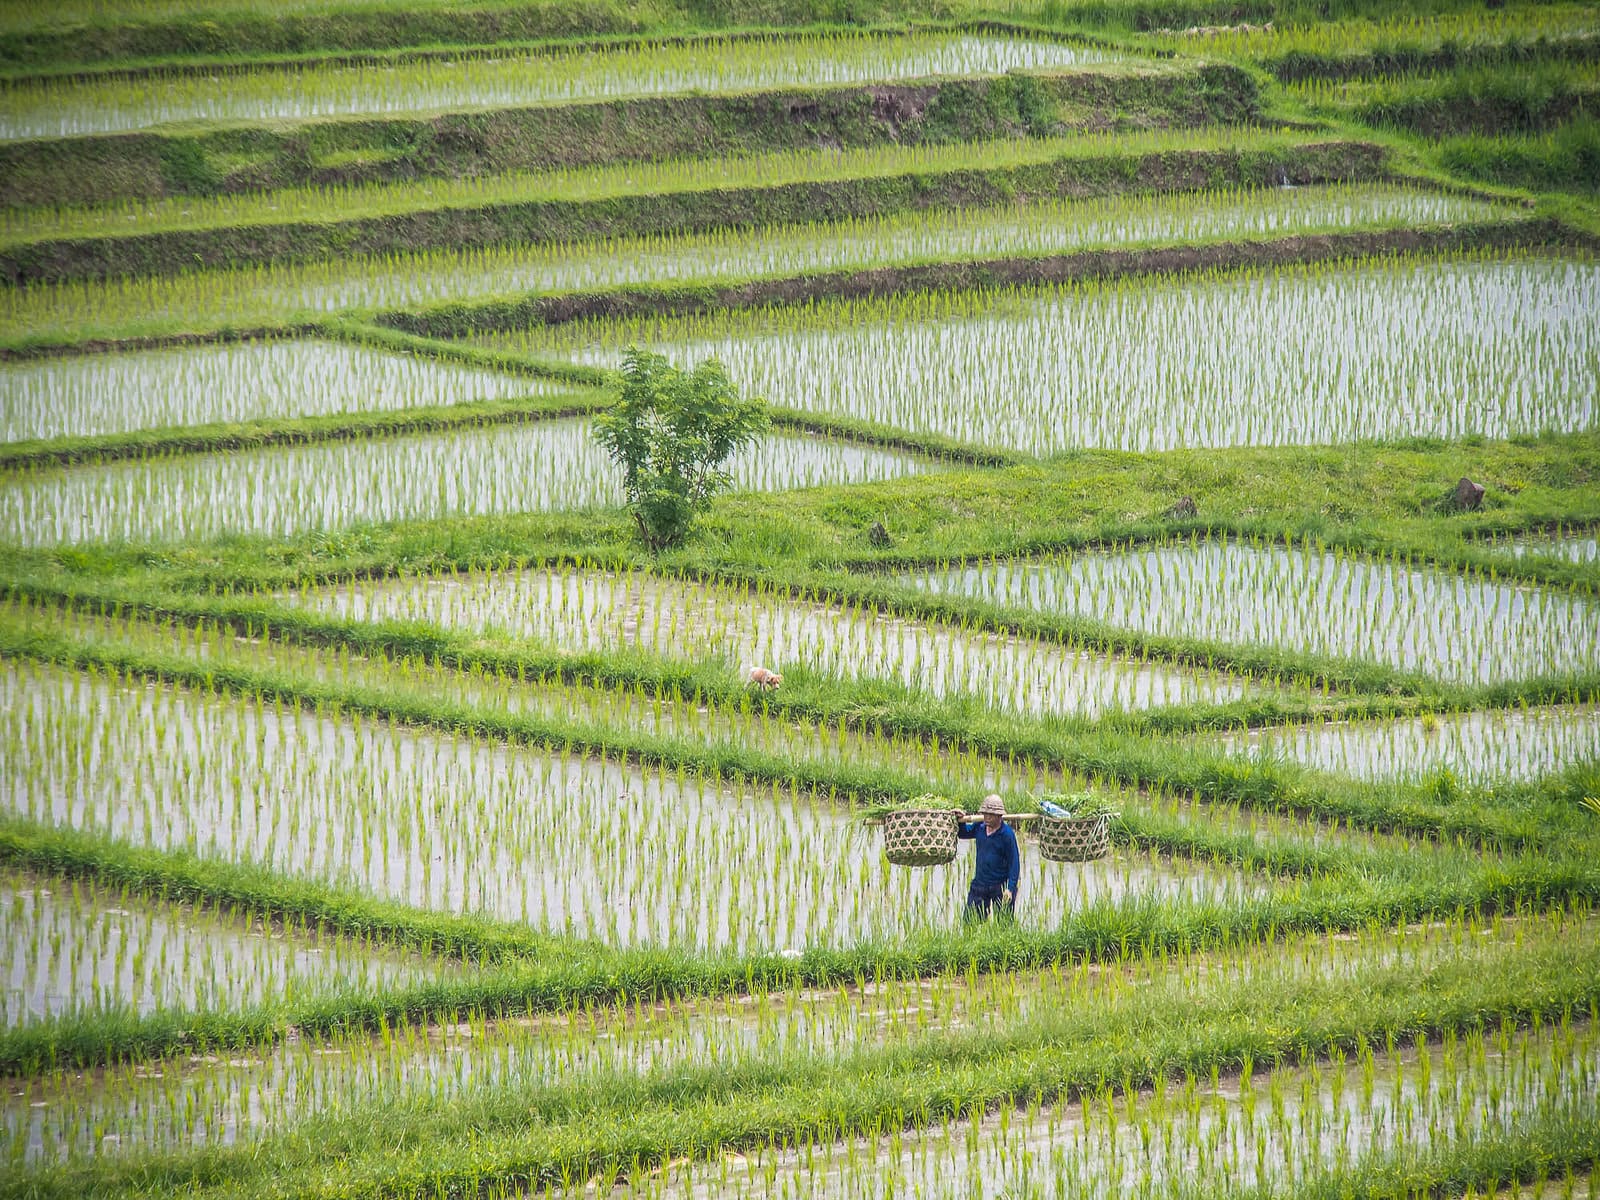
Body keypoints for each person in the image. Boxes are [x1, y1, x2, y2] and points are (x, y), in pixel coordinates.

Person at [959, 794, 1019, 921]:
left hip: (1000, 885)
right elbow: (963, 833)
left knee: (1004, 924)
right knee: (970, 922)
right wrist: (960, 820)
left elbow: (1014, 863)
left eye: (990, 815)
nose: (986, 817)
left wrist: (1010, 888)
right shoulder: (980, 827)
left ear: (999, 816)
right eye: (985, 814)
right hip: (980, 884)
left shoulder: (1007, 834)